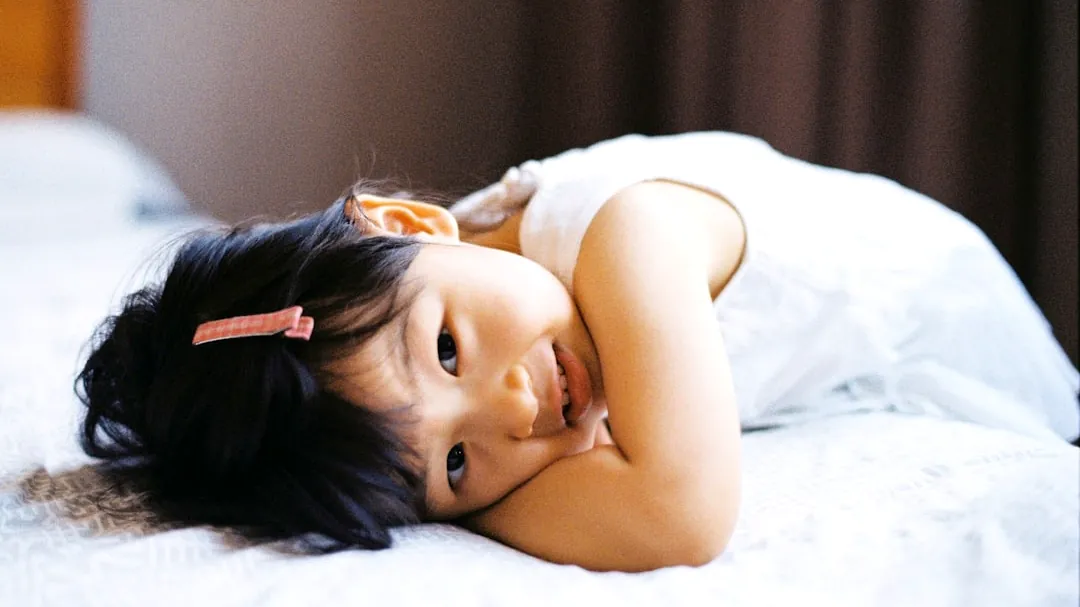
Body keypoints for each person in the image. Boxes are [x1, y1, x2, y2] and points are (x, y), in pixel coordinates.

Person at [77, 132, 1080, 572]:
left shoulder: (626, 233)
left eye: (449, 348)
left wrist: (469, 491)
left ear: (414, 222)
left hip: (954, 341)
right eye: (457, 465)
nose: (514, 413)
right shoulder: (466, 283)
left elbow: (679, 513)